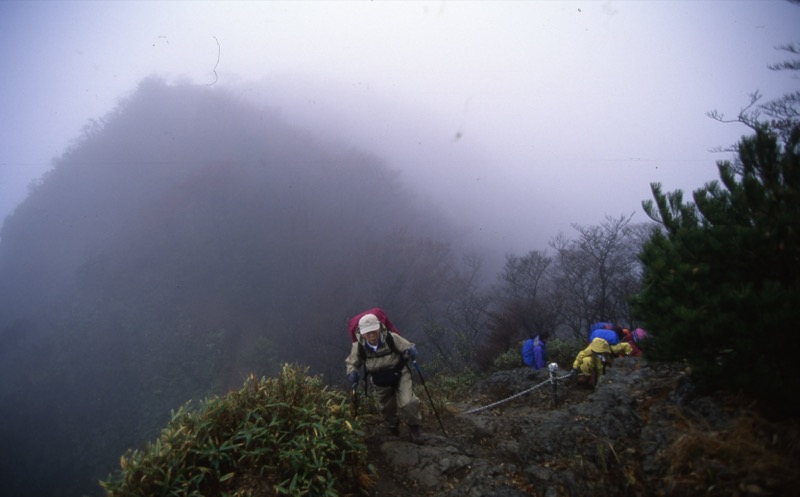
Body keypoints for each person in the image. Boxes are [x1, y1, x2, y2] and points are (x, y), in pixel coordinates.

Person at [345, 313, 424, 443]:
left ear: (379, 328)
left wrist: (411, 351)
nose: (371, 335)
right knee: (386, 408)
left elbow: (407, 347)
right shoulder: (359, 346)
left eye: (374, 331)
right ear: (362, 333)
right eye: (368, 332)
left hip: (400, 374)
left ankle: (414, 427)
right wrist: (352, 372)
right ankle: (392, 427)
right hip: (379, 379)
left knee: (408, 402)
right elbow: (352, 363)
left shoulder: (391, 338)